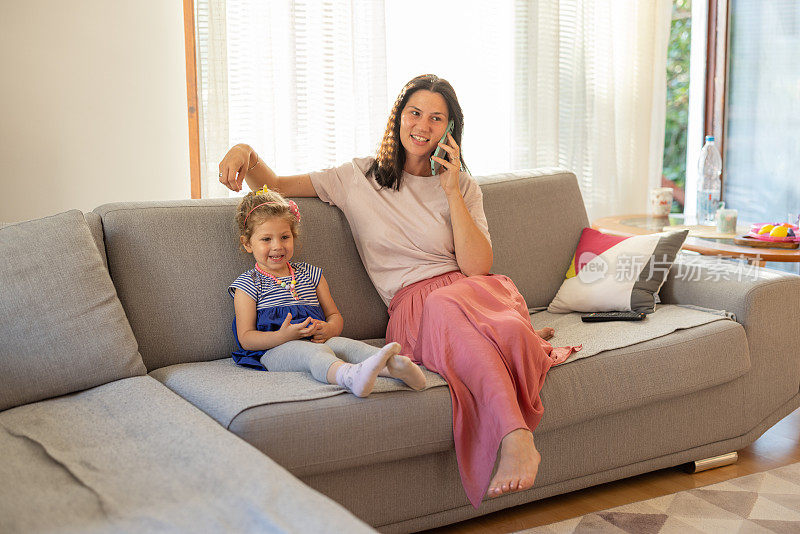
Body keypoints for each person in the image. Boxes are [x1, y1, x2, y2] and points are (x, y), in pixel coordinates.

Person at [219, 74, 579, 508]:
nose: (422, 125)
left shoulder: (463, 186)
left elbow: (477, 267)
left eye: (436, 118)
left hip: (470, 290)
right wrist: (246, 151)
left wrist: (450, 189)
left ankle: (516, 436)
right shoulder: (357, 178)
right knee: (443, 306)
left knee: (451, 299)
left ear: (450, 130)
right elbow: (273, 183)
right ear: (398, 117)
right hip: (413, 307)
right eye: (414, 112)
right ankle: (508, 378)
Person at [229, 185, 426, 397]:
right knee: (316, 352)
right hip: (273, 350)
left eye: (285, 237)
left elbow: (334, 316)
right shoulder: (248, 284)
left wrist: (330, 329)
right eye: (266, 239)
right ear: (247, 243)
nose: (277, 246)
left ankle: (395, 366)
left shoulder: (311, 274)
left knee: (349, 346)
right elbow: (246, 338)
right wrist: (282, 336)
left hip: (317, 339)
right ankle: (347, 376)